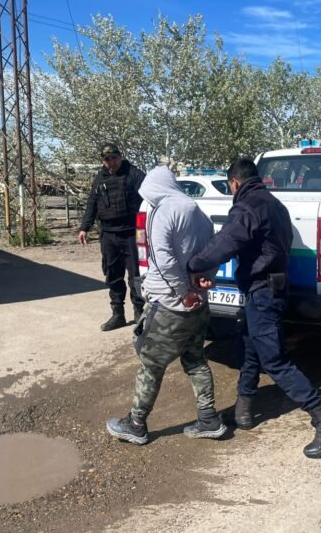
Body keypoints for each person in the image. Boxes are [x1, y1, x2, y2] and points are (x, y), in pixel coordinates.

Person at [187, 158, 321, 459]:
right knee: (248, 348)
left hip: (262, 290)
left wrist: (194, 264)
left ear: (234, 183)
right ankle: (243, 411)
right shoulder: (275, 204)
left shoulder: (248, 206)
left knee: (275, 361)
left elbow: (226, 241)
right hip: (270, 287)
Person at [105, 166, 226, 445]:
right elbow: (214, 251)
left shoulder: (163, 211)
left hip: (173, 303)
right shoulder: (198, 212)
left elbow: (163, 259)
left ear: (154, 188)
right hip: (198, 302)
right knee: (196, 360)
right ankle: (209, 419)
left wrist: (182, 292)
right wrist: (206, 280)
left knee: (151, 363)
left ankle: (136, 425)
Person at [78, 143, 146, 332]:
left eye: (114, 157)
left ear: (120, 156)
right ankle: (118, 314)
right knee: (113, 274)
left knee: (136, 276)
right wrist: (85, 227)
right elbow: (92, 202)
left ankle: (139, 312)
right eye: (107, 159)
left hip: (131, 232)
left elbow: (150, 196)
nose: (112, 162)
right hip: (108, 234)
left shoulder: (134, 174)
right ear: (103, 160)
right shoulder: (100, 177)